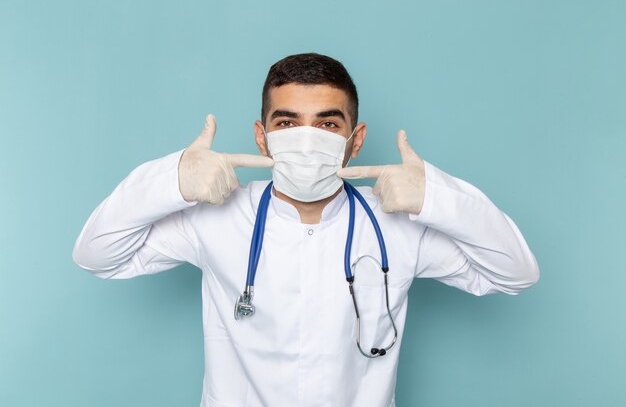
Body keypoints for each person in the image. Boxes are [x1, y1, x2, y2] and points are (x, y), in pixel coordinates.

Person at [72, 53, 540, 407]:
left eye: (327, 124)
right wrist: (171, 179)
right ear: (262, 136)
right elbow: (97, 254)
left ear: (355, 141)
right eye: (288, 122)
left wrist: (438, 197)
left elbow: (514, 273)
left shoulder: (398, 223)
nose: (306, 138)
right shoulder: (217, 215)